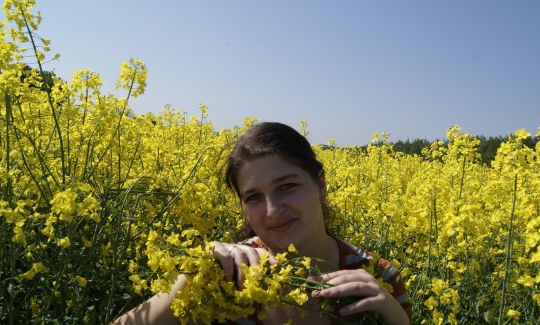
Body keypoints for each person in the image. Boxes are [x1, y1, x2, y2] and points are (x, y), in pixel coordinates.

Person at [112, 122, 412, 325]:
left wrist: (394, 318)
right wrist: (188, 282)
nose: (272, 211)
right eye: (254, 196)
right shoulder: (224, 275)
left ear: (320, 185)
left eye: (286, 187)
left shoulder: (378, 277)